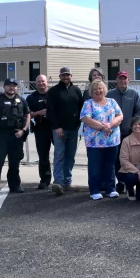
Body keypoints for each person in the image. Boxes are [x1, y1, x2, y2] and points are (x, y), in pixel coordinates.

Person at [0, 78, 30, 198]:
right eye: (9, 85)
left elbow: (27, 115)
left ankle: (15, 186)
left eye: (14, 86)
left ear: (17, 87)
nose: (11, 88)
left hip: (16, 136)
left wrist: (23, 130)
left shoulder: (22, 101)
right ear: (4, 87)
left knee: (15, 163)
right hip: (1, 137)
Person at [80, 79, 123, 200]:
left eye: (100, 88)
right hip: (94, 143)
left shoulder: (112, 101)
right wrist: (103, 127)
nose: (98, 91)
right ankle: (95, 190)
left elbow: (120, 115)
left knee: (110, 165)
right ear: (91, 91)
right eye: (95, 89)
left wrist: (110, 125)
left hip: (112, 141)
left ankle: (111, 189)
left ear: (104, 89)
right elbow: (85, 118)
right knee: (95, 166)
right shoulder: (88, 103)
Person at [47, 67, 84, 195]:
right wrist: (57, 127)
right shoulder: (53, 91)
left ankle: (67, 182)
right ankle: (58, 182)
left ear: (71, 76)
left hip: (73, 130)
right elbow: (50, 111)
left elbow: (81, 109)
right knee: (59, 155)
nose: (65, 77)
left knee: (70, 157)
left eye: (67, 75)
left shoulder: (76, 90)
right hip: (59, 131)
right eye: (63, 75)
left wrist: (78, 124)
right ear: (60, 77)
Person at [107, 70, 140, 194]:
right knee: (116, 160)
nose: (123, 81)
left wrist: (134, 127)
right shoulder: (110, 94)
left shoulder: (133, 94)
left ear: (128, 80)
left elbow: (139, 110)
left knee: (130, 159)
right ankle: (120, 182)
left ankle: (130, 182)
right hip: (114, 133)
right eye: (120, 78)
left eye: (125, 79)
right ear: (116, 80)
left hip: (129, 134)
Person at [26, 75, 53, 189]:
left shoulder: (54, 94)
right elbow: (27, 114)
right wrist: (40, 112)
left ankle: (61, 179)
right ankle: (45, 180)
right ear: (35, 83)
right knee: (43, 156)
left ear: (47, 82)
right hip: (41, 129)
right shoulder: (31, 98)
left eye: (43, 81)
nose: (41, 83)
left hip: (55, 128)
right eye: (39, 82)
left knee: (60, 155)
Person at [117, 116, 140, 201]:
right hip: (130, 171)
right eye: (135, 124)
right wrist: (138, 172)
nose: (137, 126)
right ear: (131, 127)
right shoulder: (126, 141)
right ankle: (129, 189)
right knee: (131, 178)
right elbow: (124, 160)